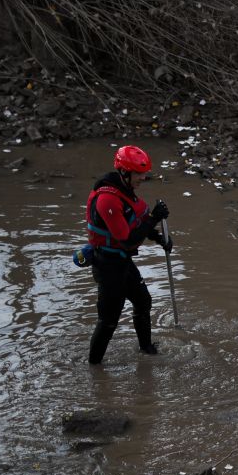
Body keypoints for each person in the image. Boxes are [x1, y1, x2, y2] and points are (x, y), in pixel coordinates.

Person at [84, 144, 172, 364]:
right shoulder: (107, 200)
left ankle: (146, 349)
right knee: (109, 321)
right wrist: (154, 217)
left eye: (144, 173)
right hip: (108, 266)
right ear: (124, 172)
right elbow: (127, 239)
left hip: (123, 263)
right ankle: (95, 369)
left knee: (143, 302)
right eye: (139, 174)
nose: (143, 178)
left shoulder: (126, 193)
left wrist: (159, 238)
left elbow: (138, 222)